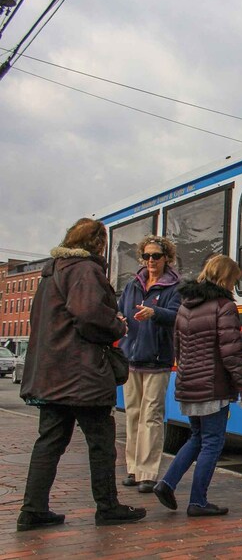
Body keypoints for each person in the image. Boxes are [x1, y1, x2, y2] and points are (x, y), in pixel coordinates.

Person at [17, 218, 147, 531]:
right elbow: (89, 314)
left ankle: (33, 509)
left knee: (49, 441)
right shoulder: (85, 269)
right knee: (101, 443)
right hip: (82, 373)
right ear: (96, 242)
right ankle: (108, 506)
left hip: (51, 374)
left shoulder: (53, 271)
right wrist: (117, 325)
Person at [152, 254, 242, 516]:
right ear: (225, 278)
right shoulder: (224, 306)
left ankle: (167, 483)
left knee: (197, 437)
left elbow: (179, 348)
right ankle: (197, 501)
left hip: (189, 383)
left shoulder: (185, 306)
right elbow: (231, 353)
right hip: (213, 385)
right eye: (234, 280)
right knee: (212, 442)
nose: (234, 286)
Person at [118, 236, 181, 494]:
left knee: (151, 416)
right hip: (131, 358)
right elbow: (119, 309)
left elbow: (178, 316)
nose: (151, 261)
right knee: (133, 414)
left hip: (157, 360)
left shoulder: (174, 287)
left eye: (156, 256)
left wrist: (155, 313)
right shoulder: (132, 285)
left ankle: (147, 472)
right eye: (146, 256)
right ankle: (132, 468)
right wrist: (119, 318)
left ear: (167, 257)